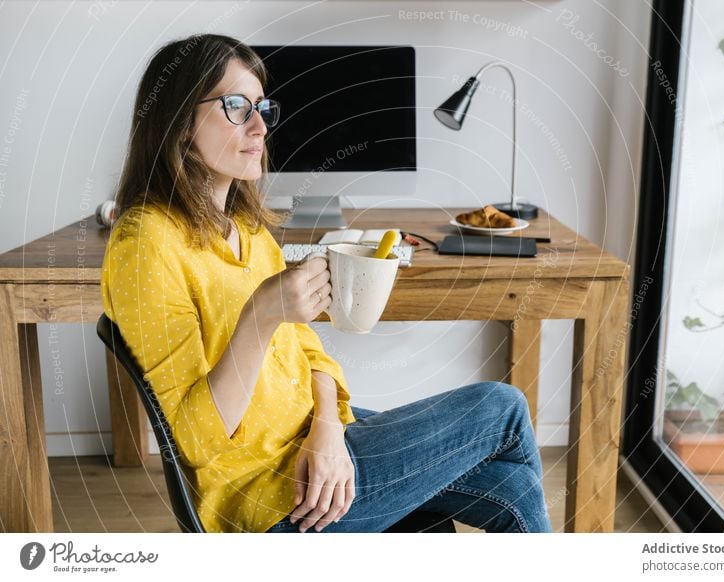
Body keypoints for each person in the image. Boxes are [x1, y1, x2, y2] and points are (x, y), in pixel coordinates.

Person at [101, 33, 552, 534]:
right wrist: (262, 314)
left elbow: (309, 352)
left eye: (261, 108)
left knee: (517, 490)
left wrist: (329, 431)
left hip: (308, 445)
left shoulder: (247, 229)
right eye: (235, 106)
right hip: (267, 500)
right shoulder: (145, 243)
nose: (259, 126)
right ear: (180, 121)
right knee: (502, 406)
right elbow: (195, 441)